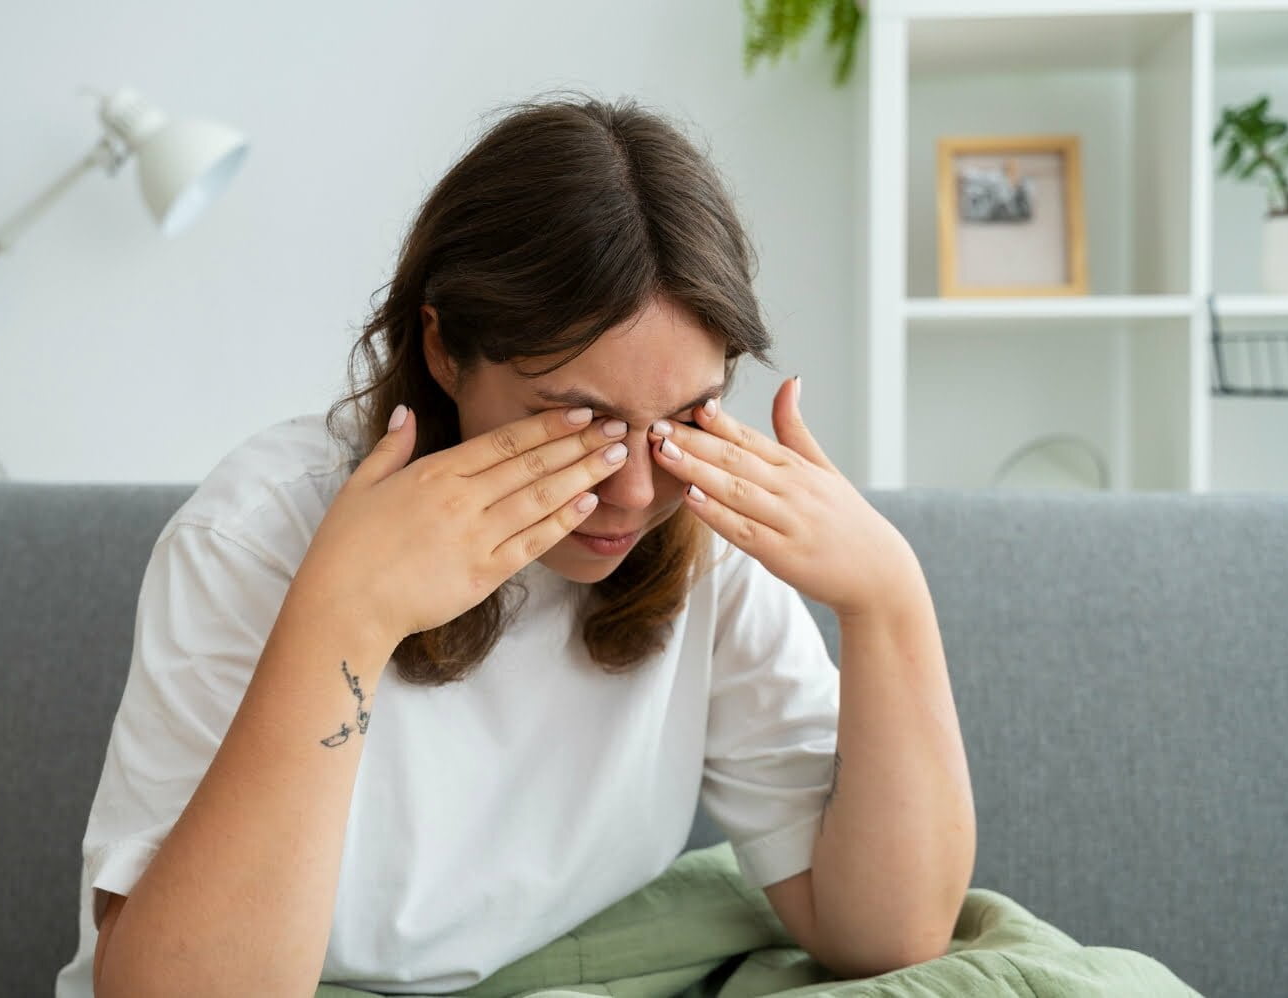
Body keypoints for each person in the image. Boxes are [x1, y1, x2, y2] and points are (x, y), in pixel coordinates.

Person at [55, 92, 976, 998]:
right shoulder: (254, 535)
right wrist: (346, 615)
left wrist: (887, 599)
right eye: (579, 422)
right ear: (447, 350)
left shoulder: (703, 531)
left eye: (684, 416)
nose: (635, 491)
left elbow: (885, 936)